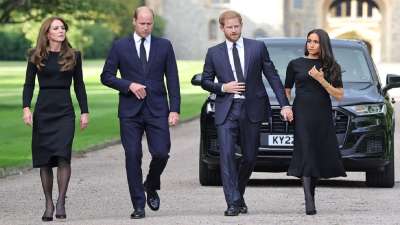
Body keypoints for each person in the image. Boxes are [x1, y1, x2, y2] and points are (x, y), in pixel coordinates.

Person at [201, 10, 293, 216]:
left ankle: (238, 194)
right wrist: (224, 87)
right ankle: (232, 203)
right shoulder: (214, 53)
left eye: (236, 26)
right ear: (222, 28)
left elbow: (273, 76)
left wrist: (285, 104)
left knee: (250, 157)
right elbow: (206, 81)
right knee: (226, 156)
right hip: (227, 110)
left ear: (241, 26)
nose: (233, 30)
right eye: (229, 27)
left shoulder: (257, 47)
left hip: (252, 109)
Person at [100, 6, 180, 219]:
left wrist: (175, 109)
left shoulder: (164, 45)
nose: (146, 27)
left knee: (162, 152)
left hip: (157, 109)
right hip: (130, 111)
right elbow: (106, 76)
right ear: (134, 22)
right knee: (133, 155)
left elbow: (172, 79)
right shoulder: (119, 46)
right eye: (142, 23)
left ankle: (151, 184)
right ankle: (138, 205)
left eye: (149, 23)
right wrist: (129, 85)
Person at [22, 17, 89, 222]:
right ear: (47, 33)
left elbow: (79, 85)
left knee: (63, 156)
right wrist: (26, 108)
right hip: (44, 111)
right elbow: (28, 85)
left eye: (63, 28)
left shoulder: (74, 55)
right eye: (56, 28)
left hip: (65, 112)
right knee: (45, 161)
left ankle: (61, 201)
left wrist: (84, 111)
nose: (61, 31)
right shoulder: (35, 55)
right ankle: (48, 203)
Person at [284, 29, 347, 215]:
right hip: (301, 112)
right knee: (305, 151)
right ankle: (309, 201)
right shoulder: (295, 64)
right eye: (309, 41)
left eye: (316, 42)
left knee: (316, 153)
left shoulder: (331, 67)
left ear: (323, 45)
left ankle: (311, 196)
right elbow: (287, 89)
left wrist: (321, 79)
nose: (311, 44)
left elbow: (339, 95)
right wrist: (286, 107)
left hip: (322, 114)